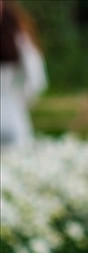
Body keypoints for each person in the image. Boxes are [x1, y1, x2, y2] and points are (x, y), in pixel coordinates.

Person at [0, 0, 47, 149]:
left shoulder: (16, 35)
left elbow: (36, 79)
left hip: (11, 115)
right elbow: (37, 81)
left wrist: (18, 101)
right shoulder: (17, 35)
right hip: (12, 114)